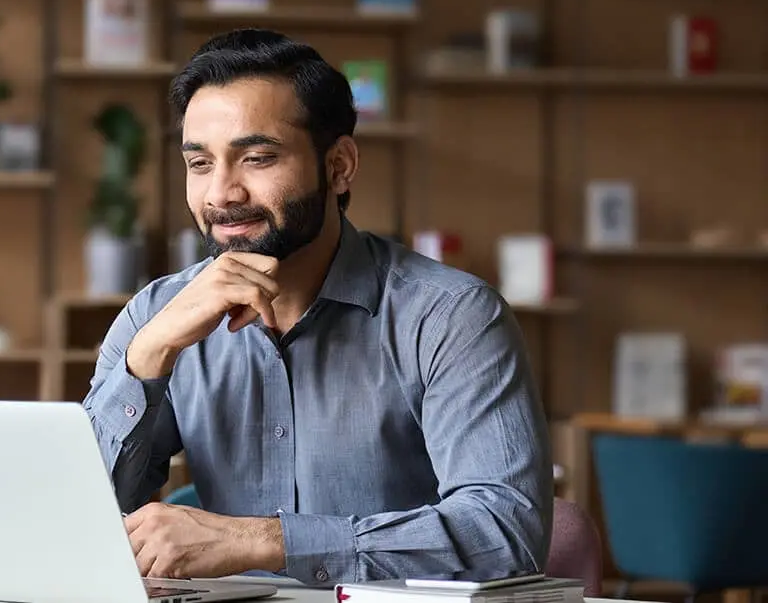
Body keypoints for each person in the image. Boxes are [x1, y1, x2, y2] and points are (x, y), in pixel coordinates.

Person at [81, 29, 553, 587]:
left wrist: (262, 541)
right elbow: (75, 521)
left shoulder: (452, 317)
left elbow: (506, 533)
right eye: (201, 164)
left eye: (256, 158)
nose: (222, 195)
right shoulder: (154, 317)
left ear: (339, 166)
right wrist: (148, 358)